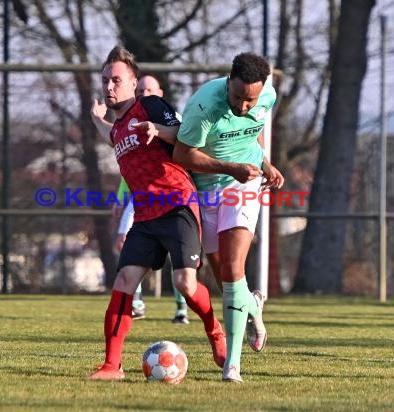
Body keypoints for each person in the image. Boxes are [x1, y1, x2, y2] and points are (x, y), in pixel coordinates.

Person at [88, 45, 226, 380]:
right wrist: (96, 118)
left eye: (116, 80)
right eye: (105, 80)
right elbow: (111, 136)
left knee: (185, 283)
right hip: (145, 217)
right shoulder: (119, 127)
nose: (109, 87)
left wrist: (157, 130)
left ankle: (214, 329)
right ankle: (112, 365)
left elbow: (185, 135)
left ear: (133, 83)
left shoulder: (148, 105)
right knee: (124, 281)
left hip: (177, 204)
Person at [173, 52, 284, 383]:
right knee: (223, 277)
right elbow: (182, 154)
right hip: (207, 187)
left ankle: (232, 365)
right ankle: (252, 306)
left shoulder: (268, 95)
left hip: (244, 185)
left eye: (251, 99)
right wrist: (227, 168)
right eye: (238, 97)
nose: (244, 106)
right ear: (228, 82)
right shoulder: (205, 105)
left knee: (235, 269)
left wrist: (264, 164)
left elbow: (254, 130)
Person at [91, 74, 190, 325]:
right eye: (143, 89)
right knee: (124, 251)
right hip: (141, 201)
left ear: (160, 91)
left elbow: (187, 145)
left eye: (150, 89)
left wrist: (158, 130)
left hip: (175, 199)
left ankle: (184, 310)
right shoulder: (128, 121)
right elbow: (126, 159)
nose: (146, 93)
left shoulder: (165, 114)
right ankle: (136, 304)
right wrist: (121, 198)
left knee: (183, 272)